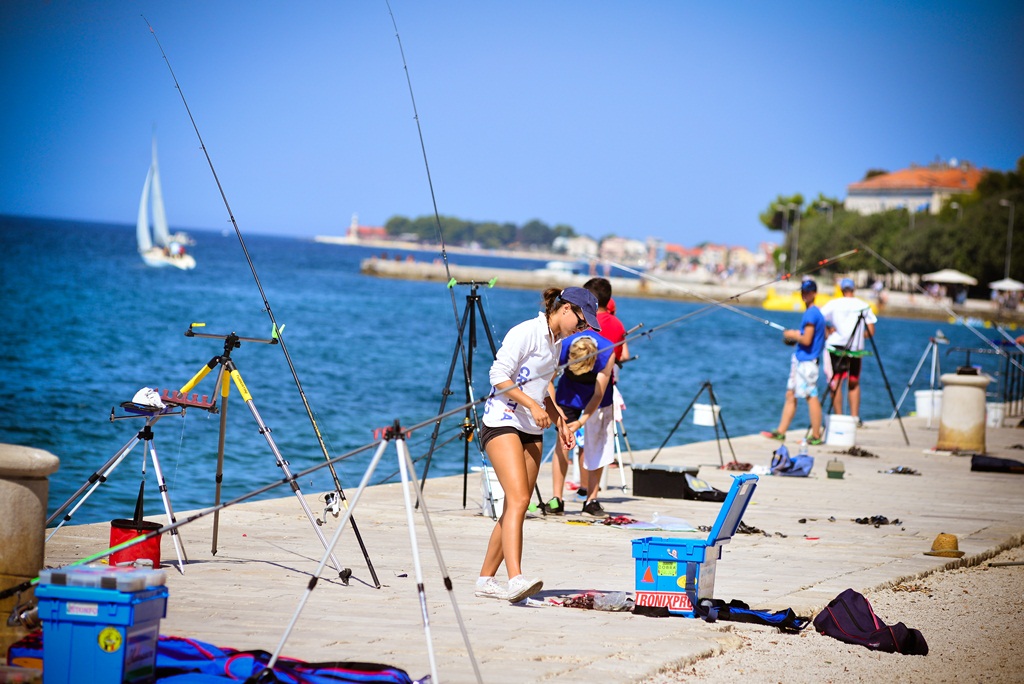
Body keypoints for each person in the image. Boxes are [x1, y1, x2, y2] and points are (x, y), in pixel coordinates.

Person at [476, 286, 600, 603]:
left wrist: (560, 421)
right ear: (566, 309)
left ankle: (485, 580)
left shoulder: (556, 343)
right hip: (501, 420)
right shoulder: (527, 332)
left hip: (533, 427)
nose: (583, 329)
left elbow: (542, 388)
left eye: (587, 325)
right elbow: (498, 375)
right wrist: (530, 406)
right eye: (582, 321)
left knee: (514, 506)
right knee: (518, 500)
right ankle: (515, 578)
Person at [547, 330, 615, 517]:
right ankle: (556, 499)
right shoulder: (563, 346)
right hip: (568, 394)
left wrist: (582, 421)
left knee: (596, 445)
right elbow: (548, 382)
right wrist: (556, 411)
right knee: (562, 444)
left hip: (598, 397)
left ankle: (591, 500)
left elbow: (598, 394)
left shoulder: (607, 352)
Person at [761, 279, 826, 444]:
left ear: (814, 293)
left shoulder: (812, 313)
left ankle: (816, 435)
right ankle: (781, 431)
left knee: (811, 396)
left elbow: (807, 339)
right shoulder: (814, 313)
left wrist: (793, 335)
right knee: (790, 394)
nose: (805, 294)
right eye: (803, 291)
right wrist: (797, 334)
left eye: (808, 291)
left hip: (807, 363)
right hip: (801, 361)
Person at [820, 278, 877, 423]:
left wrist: (829, 329)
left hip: (835, 346)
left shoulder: (834, 303)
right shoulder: (863, 305)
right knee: (853, 382)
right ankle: (854, 418)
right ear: (854, 289)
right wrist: (859, 336)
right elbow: (871, 331)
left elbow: (819, 318)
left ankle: (838, 418)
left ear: (841, 289)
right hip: (856, 349)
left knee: (836, 383)